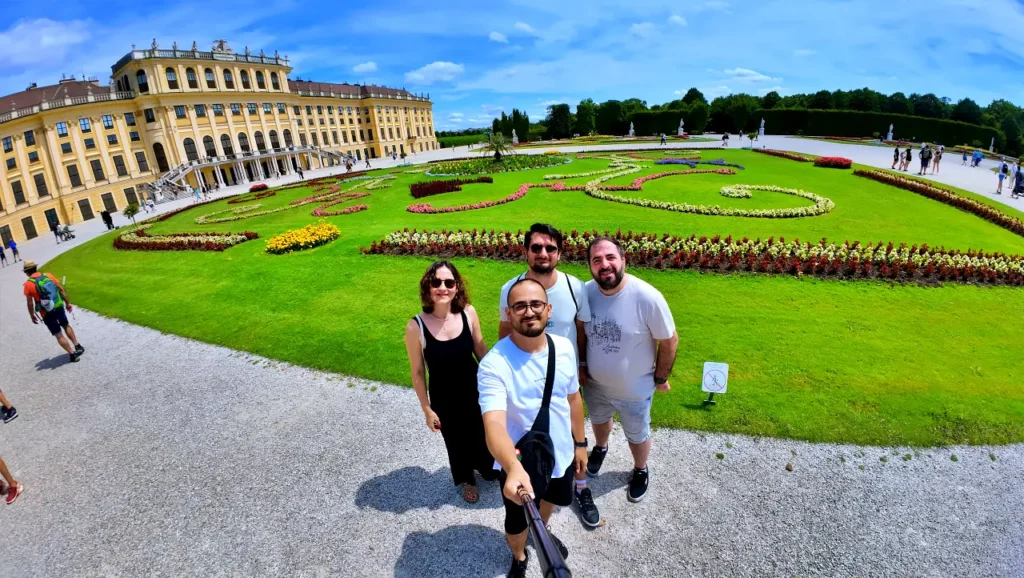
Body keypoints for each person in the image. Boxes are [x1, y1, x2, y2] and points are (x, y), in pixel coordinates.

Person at [478, 278, 586, 578]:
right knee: (515, 524)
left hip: (561, 454)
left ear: (548, 309)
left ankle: (541, 529)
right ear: (508, 313)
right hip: (520, 463)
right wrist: (512, 467)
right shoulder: (494, 364)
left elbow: (574, 399)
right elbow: (494, 424)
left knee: (550, 500)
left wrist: (580, 445)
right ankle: (519, 553)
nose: (529, 311)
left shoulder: (563, 348)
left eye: (536, 304)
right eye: (520, 306)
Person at [496, 224, 596, 527]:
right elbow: (504, 332)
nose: (543, 253)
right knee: (530, 436)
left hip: (562, 377)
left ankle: (581, 487)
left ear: (560, 254)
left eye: (550, 248)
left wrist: (581, 367)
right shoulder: (510, 288)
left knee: (572, 437)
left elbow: (581, 331)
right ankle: (528, 488)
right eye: (536, 247)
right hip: (525, 379)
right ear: (525, 250)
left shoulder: (574, 287)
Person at [582, 238, 678, 504]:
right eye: (597, 260)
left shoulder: (646, 296)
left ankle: (640, 468)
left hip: (634, 390)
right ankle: (600, 448)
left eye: (611, 257)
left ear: (624, 260)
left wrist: (661, 378)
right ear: (589, 266)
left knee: (637, 434)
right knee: (599, 421)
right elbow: (579, 333)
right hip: (595, 385)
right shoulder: (586, 293)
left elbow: (669, 340)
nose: (605, 265)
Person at [404, 261, 496, 504]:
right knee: (455, 439)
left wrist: (498, 377)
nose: (442, 288)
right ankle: (467, 478)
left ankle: (488, 467)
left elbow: (480, 347)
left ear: (457, 287)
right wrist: (426, 409)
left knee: (482, 430)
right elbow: (417, 372)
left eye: (449, 282)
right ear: (427, 287)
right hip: (444, 396)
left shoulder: (468, 312)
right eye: (436, 282)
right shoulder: (416, 327)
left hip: (474, 388)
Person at [23, 260, 85, 363]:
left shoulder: (28, 284)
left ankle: (72, 354)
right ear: (35, 268)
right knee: (66, 325)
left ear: (27, 272)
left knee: (58, 334)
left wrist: (32, 315)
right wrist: (67, 302)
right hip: (58, 305)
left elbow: (30, 303)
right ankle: (77, 346)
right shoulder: (48, 275)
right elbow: (61, 289)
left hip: (46, 311)